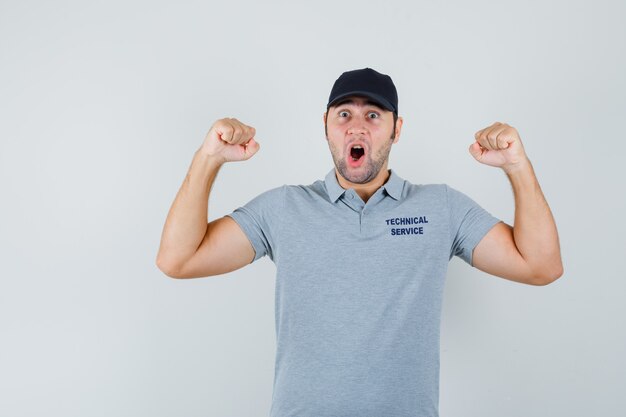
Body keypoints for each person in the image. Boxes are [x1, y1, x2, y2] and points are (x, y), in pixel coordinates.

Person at [156, 68, 563, 417]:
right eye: (344, 114)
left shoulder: (441, 207)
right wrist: (209, 158)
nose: (357, 125)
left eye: (373, 114)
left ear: (396, 128)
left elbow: (540, 266)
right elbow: (178, 259)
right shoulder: (284, 208)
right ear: (326, 125)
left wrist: (516, 166)